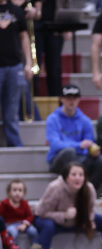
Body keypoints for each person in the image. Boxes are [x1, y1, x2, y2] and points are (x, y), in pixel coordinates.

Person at [45, 84, 102, 194]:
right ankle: (72, 192)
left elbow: (89, 143)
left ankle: (86, 193)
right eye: (68, 98)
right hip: (59, 160)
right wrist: (79, 145)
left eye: (74, 98)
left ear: (79, 99)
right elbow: (55, 145)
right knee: (69, 152)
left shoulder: (85, 120)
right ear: (62, 99)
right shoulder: (53, 119)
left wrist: (94, 151)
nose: (72, 101)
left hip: (81, 159)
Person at [0, 0, 32, 147]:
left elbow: (24, 37)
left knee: (12, 110)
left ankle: (14, 144)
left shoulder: (16, 11)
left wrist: (29, 63)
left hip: (14, 65)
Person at [0, 179, 38, 249]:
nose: (17, 193)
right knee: (12, 232)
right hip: (9, 224)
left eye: (20, 190)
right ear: (9, 192)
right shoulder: (4, 203)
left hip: (22, 223)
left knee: (33, 231)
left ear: (24, 193)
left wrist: (24, 224)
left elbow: (30, 216)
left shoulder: (24, 203)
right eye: (14, 190)